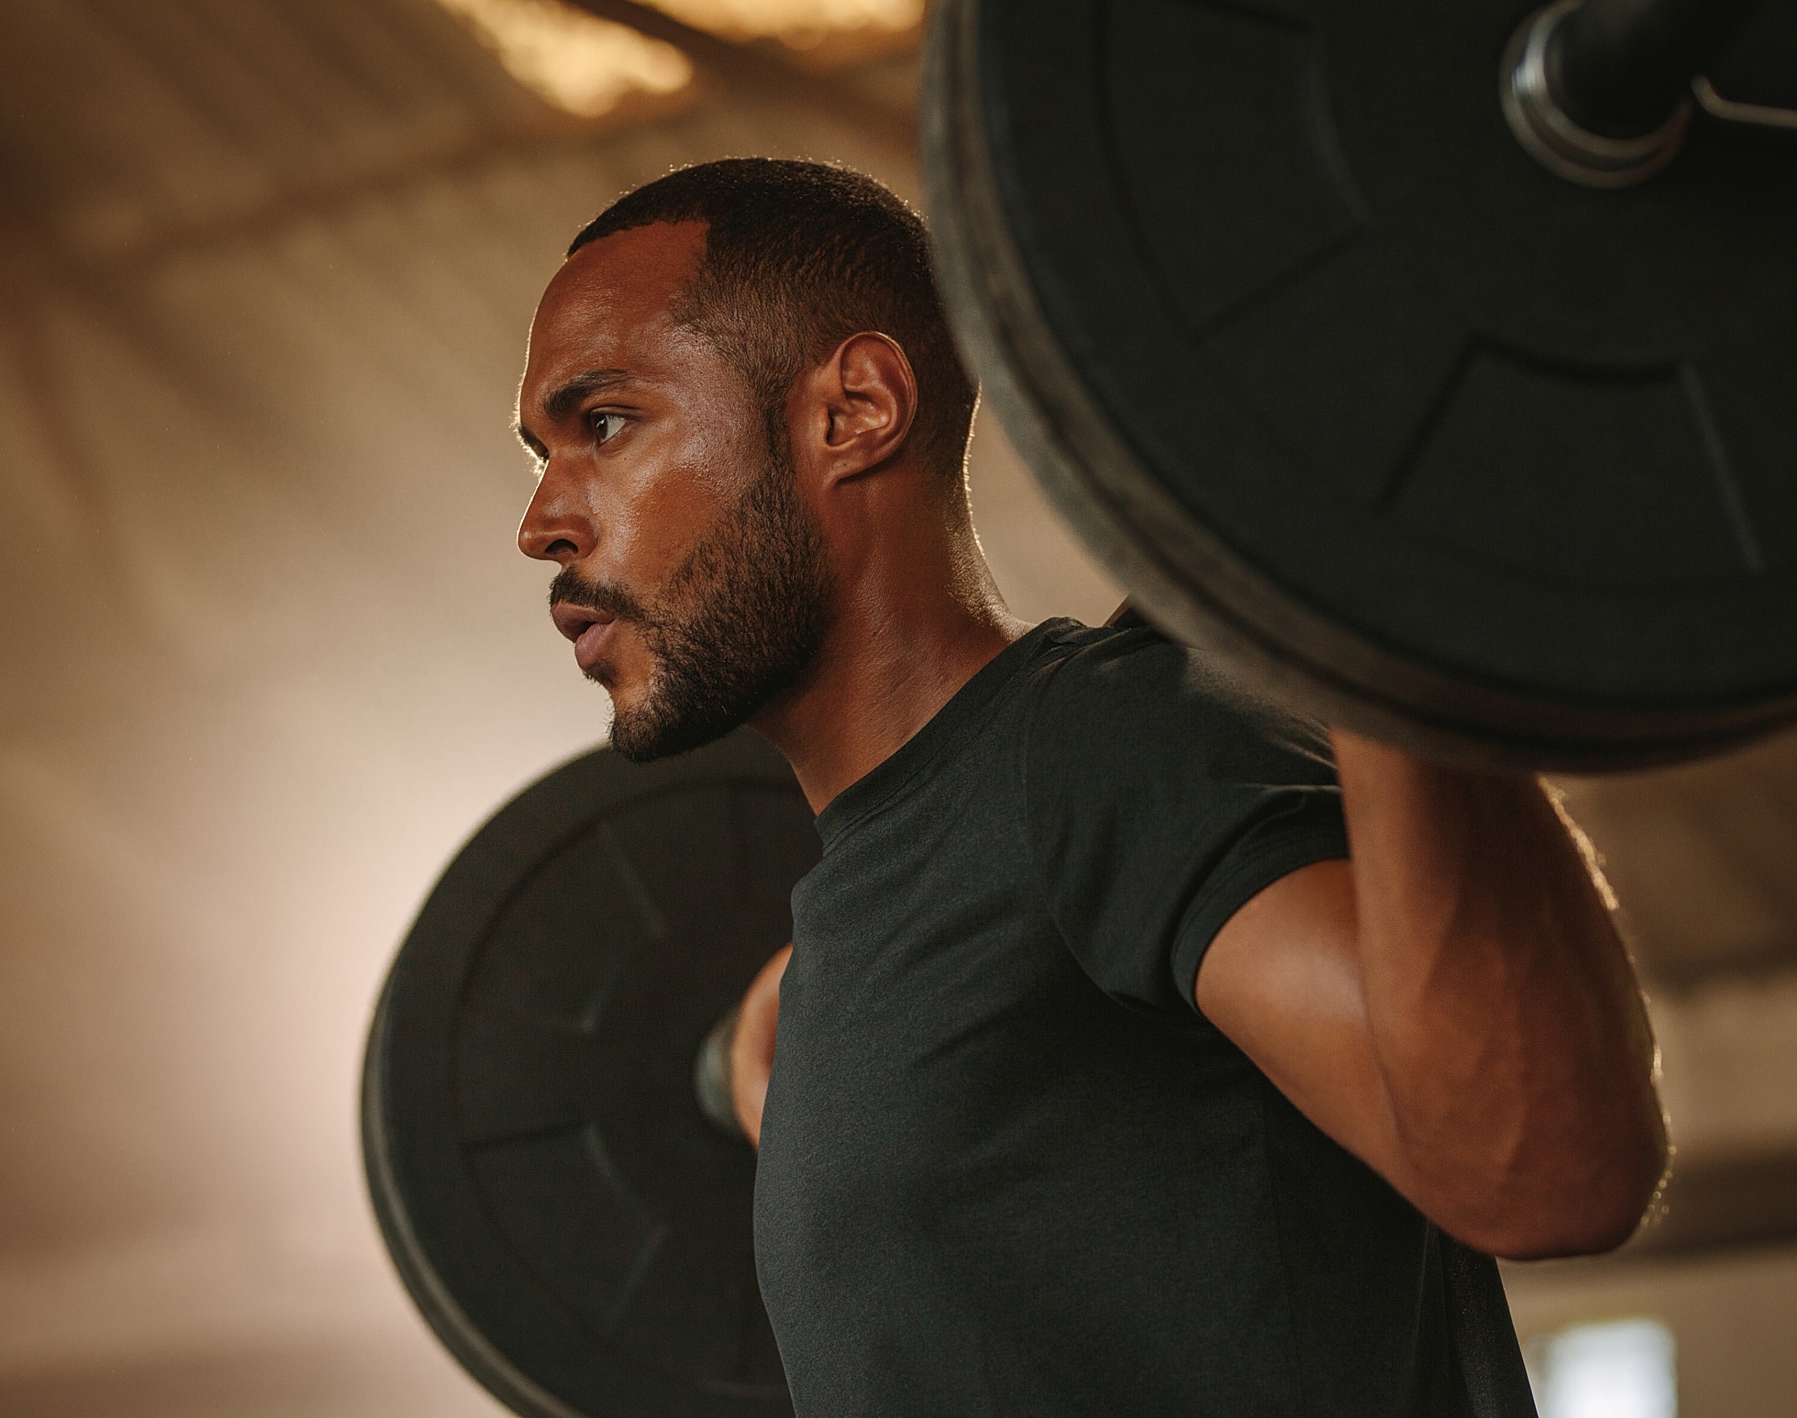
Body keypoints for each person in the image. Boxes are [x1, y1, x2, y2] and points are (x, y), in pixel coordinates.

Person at [514, 156, 1667, 1416]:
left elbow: (1544, 1166)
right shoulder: (874, 909)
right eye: (539, 455)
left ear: (853, 410)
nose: (542, 522)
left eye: (604, 424)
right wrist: (795, 1016)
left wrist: (1369, 580)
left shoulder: (1109, 750)